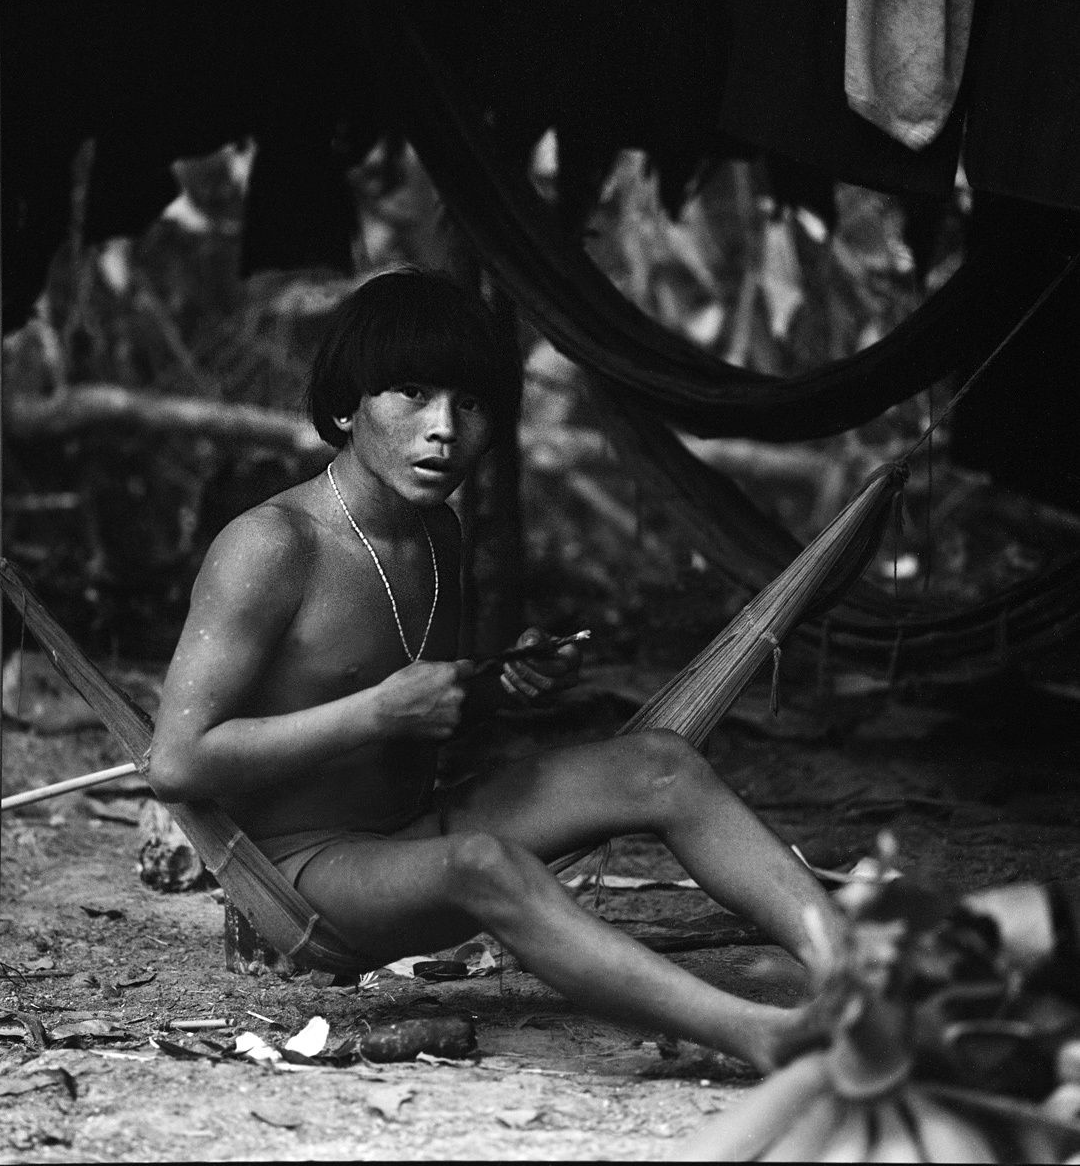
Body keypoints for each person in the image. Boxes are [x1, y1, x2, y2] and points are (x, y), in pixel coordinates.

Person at [148, 268, 841, 1072]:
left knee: (660, 764)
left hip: (418, 831)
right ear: (345, 406)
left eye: (470, 404)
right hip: (306, 880)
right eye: (411, 394)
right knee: (486, 864)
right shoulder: (272, 547)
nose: (444, 428)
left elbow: (424, 722)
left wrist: (503, 685)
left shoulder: (436, 534)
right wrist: (375, 713)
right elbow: (176, 763)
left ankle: (859, 971)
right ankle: (755, 1033)